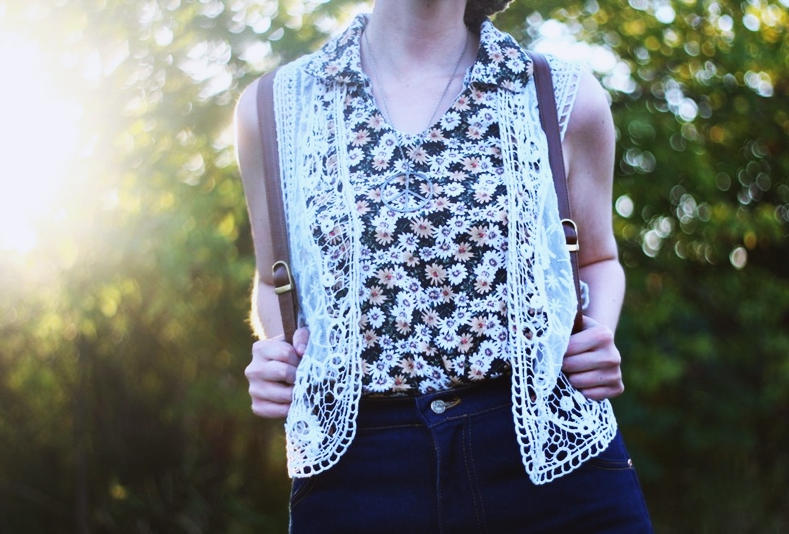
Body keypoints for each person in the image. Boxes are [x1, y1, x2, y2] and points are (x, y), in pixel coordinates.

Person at [236, 0, 653, 532]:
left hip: (550, 456)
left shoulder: (559, 92)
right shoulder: (273, 106)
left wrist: (598, 336)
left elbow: (598, 258)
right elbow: (275, 278)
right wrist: (278, 356)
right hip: (358, 472)